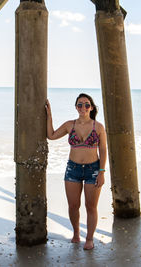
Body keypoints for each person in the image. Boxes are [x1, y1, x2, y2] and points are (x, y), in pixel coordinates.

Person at [45, 93, 107, 250]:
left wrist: (101, 172)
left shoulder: (98, 127)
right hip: (73, 169)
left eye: (86, 105)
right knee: (73, 205)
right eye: (80, 105)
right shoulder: (69, 125)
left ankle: (90, 238)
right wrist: (49, 115)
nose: (83, 108)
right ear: (76, 107)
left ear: (91, 108)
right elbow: (51, 135)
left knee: (90, 206)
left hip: (93, 169)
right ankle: (76, 233)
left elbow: (104, 150)